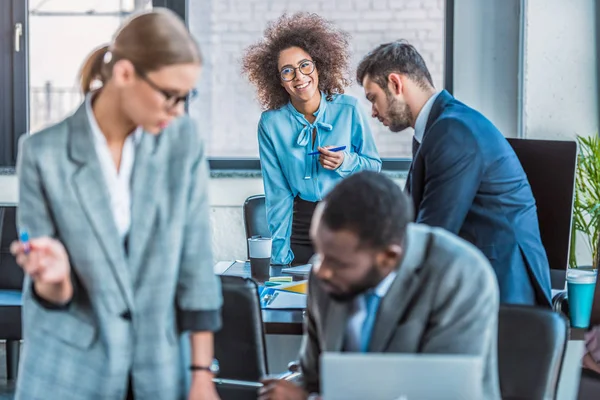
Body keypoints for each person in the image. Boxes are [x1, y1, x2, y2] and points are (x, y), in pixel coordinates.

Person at [10, 9, 222, 400]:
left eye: (186, 97)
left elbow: (195, 265)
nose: (178, 110)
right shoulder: (42, 153)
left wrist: (201, 374)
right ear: (125, 74)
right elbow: (51, 295)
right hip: (69, 372)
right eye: (170, 95)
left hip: (159, 366)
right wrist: (53, 278)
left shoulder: (182, 142)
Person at [258, 171, 501, 400]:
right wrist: (287, 386)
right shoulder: (327, 275)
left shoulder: (459, 276)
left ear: (388, 257)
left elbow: (440, 393)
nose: (321, 271)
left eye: (338, 262)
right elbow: (314, 375)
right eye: (320, 253)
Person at [355, 40, 552, 307]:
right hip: (473, 279)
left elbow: (433, 233)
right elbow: (409, 218)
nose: (373, 112)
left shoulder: (452, 131)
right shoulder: (433, 130)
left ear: (395, 84)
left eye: (372, 98)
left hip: (504, 290)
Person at [242, 12, 381, 266]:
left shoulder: (348, 109)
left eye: (305, 65)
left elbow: (374, 166)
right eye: (287, 71)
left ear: (318, 66)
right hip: (300, 226)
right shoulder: (271, 124)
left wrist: (345, 162)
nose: (299, 77)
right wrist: (279, 258)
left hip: (347, 221)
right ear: (279, 81)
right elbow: (278, 194)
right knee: (293, 297)